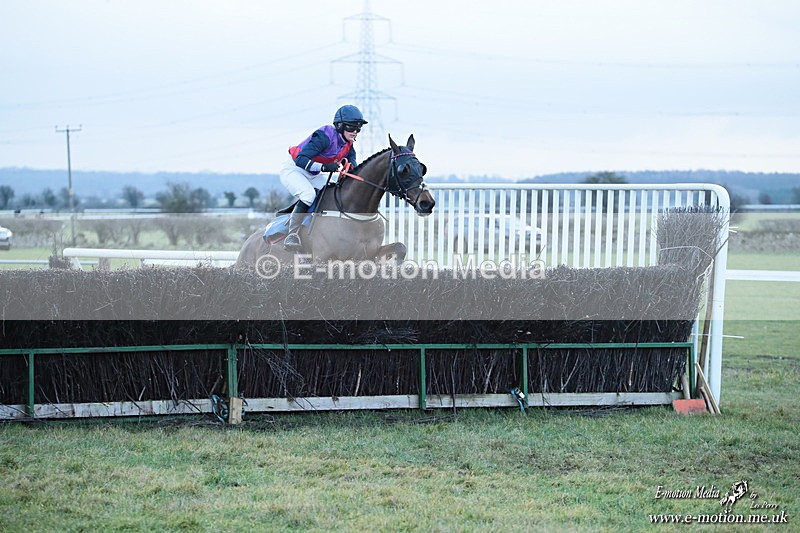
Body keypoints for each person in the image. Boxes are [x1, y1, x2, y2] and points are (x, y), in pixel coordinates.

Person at [280, 105, 367, 250]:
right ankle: (292, 234)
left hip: (312, 173)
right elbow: (300, 160)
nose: (355, 132)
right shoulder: (324, 137)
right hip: (294, 169)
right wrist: (324, 168)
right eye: (352, 128)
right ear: (340, 126)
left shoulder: (348, 146)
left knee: (333, 191)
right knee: (308, 195)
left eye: (358, 129)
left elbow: (354, 168)